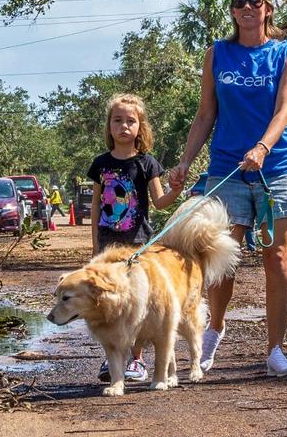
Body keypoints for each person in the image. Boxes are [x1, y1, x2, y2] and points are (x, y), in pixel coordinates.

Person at [168, 0, 287, 378]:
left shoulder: (285, 54)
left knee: (276, 257)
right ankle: (215, 328)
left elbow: (284, 111)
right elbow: (206, 113)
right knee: (223, 256)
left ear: (268, 9)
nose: (248, 7)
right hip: (227, 166)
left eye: (255, 1)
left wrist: (262, 147)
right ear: (232, 10)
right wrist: (185, 162)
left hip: (276, 166)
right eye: (240, 2)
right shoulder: (218, 54)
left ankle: (276, 350)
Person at [87, 93, 184, 383]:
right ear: (109, 126)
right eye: (118, 120)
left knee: (136, 303)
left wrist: (176, 190)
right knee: (109, 301)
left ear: (141, 127)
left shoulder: (147, 163)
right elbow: (94, 205)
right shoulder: (100, 164)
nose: (124, 126)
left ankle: (138, 359)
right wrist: (94, 244)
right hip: (107, 246)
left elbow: (160, 201)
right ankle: (113, 357)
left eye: (131, 121)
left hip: (138, 244)